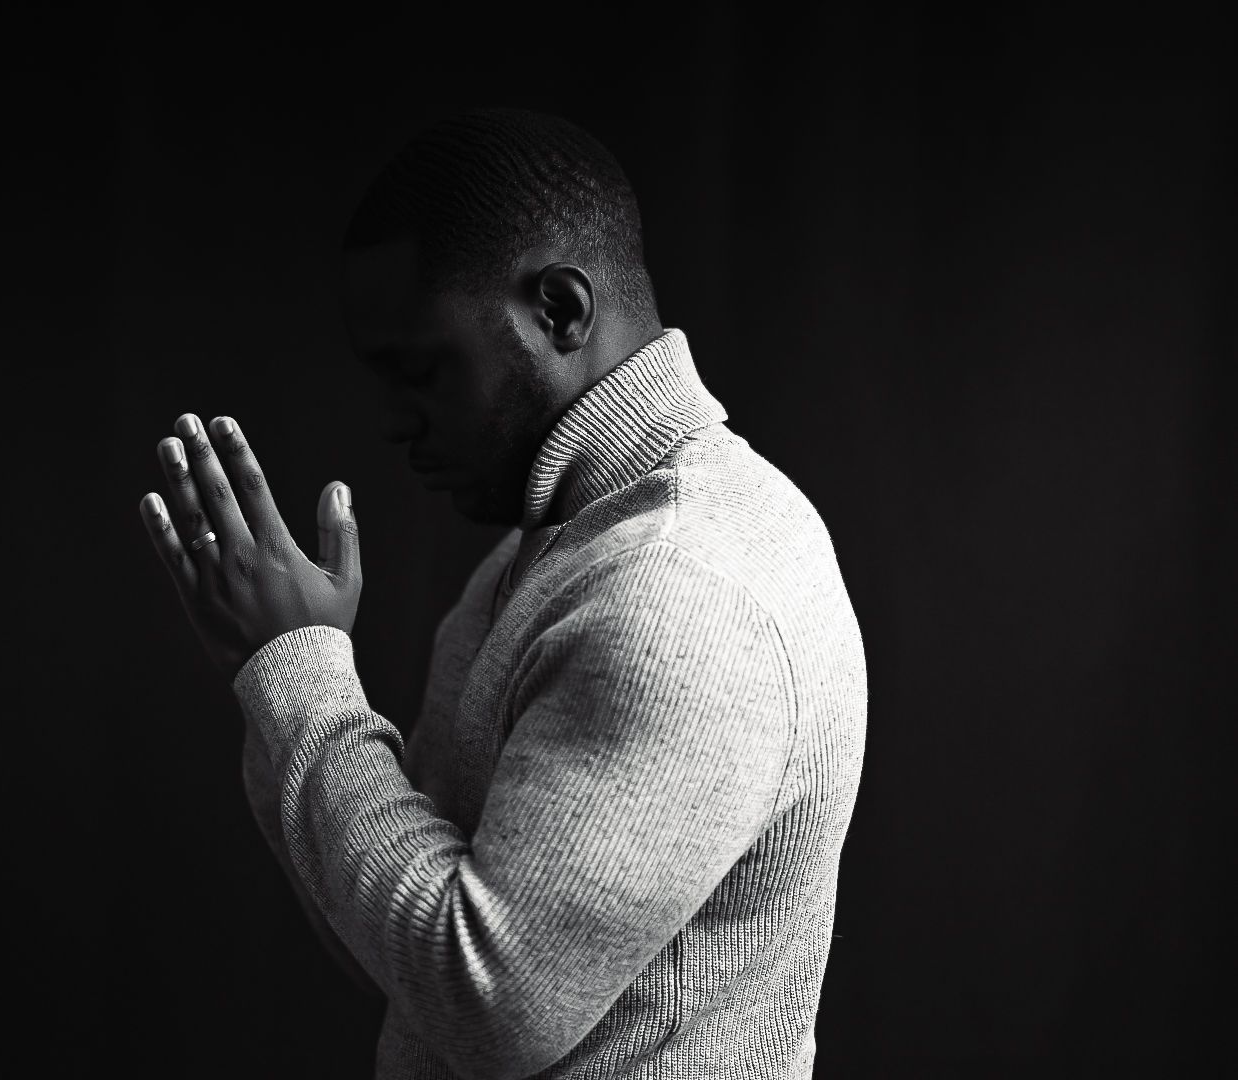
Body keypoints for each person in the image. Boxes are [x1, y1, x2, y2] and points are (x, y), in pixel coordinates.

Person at [138, 107, 867, 1079]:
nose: (396, 423)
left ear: (561, 312)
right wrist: (271, 681)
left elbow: (486, 1007)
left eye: (423, 370)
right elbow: (401, 953)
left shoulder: (679, 590)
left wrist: (304, 682)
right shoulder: (551, 551)